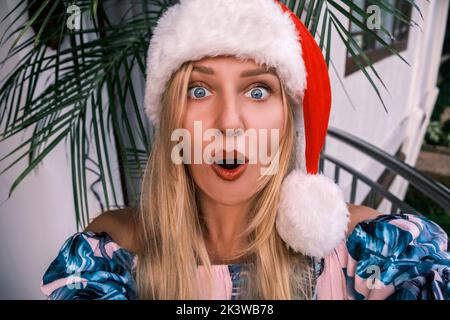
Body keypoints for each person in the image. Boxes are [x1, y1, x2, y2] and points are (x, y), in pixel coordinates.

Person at [40, 0, 450, 300]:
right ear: (172, 122)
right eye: (199, 90)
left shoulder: (377, 253)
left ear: (289, 123)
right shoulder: (109, 255)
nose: (229, 123)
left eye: (258, 90)